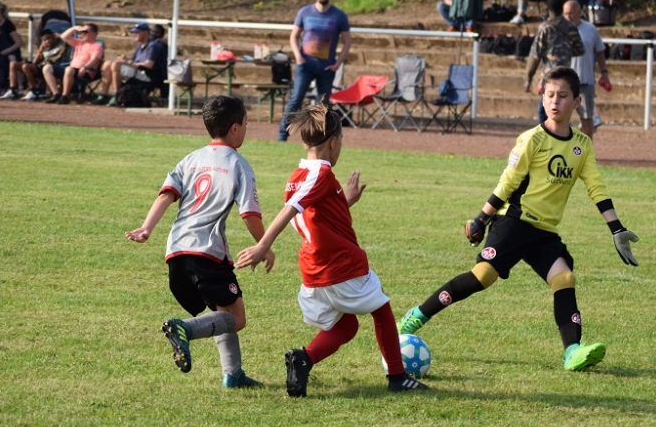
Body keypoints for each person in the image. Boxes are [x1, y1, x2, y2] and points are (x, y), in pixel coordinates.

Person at [397, 66, 639, 372]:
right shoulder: (532, 139)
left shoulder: (582, 145)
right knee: (483, 277)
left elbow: (596, 188)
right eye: (550, 95)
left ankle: (573, 352)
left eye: (563, 96)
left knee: (564, 278)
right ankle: (416, 316)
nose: (555, 101)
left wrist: (616, 228)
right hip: (514, 221)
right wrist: (481, 219)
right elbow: (508, 183)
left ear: (577, 101)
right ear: (542, 97)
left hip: (544, 231)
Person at [235, 102, 429, 397]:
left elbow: (311, 218)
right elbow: (290, 211)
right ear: (333, 143)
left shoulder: (298, 175)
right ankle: (397, 376)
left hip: (314, 269)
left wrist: (344, 201)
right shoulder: (320, 174)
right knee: (382, 309)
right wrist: (263, 245)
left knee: (347, 325)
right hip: (340, 264)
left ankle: (304, 359)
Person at [125, 95, 271, 388]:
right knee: (237, 317)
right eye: (245, 124)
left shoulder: (191, 159)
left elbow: (167, 195)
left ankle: (233, 374)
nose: (246, 129)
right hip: (206, 251)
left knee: (223, 309)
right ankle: (184, 329)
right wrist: (264, 245)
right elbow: (249, 214)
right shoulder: (239, 165)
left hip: (176, 250)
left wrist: (147, 228)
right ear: (234, 128)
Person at [277, 0, 351, 142]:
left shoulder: (339, 15)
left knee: (322, 105)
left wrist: (338, 64)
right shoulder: (305, 12)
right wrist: (298, 56)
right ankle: (282, 136)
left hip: (327, 67)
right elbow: (294, 36)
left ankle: (318, 139)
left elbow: (347, 42)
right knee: (296, 98)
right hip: (306, 65)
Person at [524, 0, 585, 124]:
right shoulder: (571, 27)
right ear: (562, 8)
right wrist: (566, 52)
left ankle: (545, 133)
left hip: (549, 75)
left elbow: (535, 56)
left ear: (548, 9)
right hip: (566, 75)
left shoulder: (545, 27)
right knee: (562, 109)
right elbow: (580, 49)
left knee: (544, 109)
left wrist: (528, 79)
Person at [564, 0, 611, 139]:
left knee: (587, 119)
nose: (568, 17)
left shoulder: (590, 29)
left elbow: (600, 52)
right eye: (565, 13)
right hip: (564, 83)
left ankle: (587, 150)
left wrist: (604, 72)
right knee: (560, 119)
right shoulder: (559, 30)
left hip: (584, 82)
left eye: (571, 13)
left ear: (579, 13)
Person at [92, 22, 166, 106]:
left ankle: (117, 95)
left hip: (146, 75)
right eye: (133, 32)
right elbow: (135, 61)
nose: (134, 34)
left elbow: (149, 65)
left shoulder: (152, 46)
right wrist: (126, 59)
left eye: (137, 32)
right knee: (107, 63)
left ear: (145, 32)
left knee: (116, 65)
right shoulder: (139, 45)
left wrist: (128, 62)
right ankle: (104, 95)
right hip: (137, 71)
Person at [43, 23, 103, 105]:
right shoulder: (79, 42)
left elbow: (94, 60)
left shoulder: (97, 46)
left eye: (85, 31)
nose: (83, 33)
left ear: (94, 33)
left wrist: (84, 67)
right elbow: (64, 37)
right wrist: (74, 28)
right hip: (71, 70)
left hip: (86, 71)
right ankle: (56, 94)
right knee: (47, 68)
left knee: (69, 69)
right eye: (82, 32)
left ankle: (65, 96)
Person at [0, 1, 23, 100]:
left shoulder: (7, 24)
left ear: (1, 10)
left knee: (12, 59)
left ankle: (18, 87)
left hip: (10, 48)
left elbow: (18, 42)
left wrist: (8, 50)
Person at [17, 28, 68, 100]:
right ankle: (34, 91)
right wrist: (40, 50)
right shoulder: (45, 49)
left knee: (43, 68)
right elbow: (34, 62)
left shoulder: (61, 45)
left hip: (56, 66)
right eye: (44, 40)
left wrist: (59, 35)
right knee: (24, 66)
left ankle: (54, 94)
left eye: (48, 38)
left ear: (53, 37)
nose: (47, 41)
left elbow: (68, 39)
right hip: (43, 67)